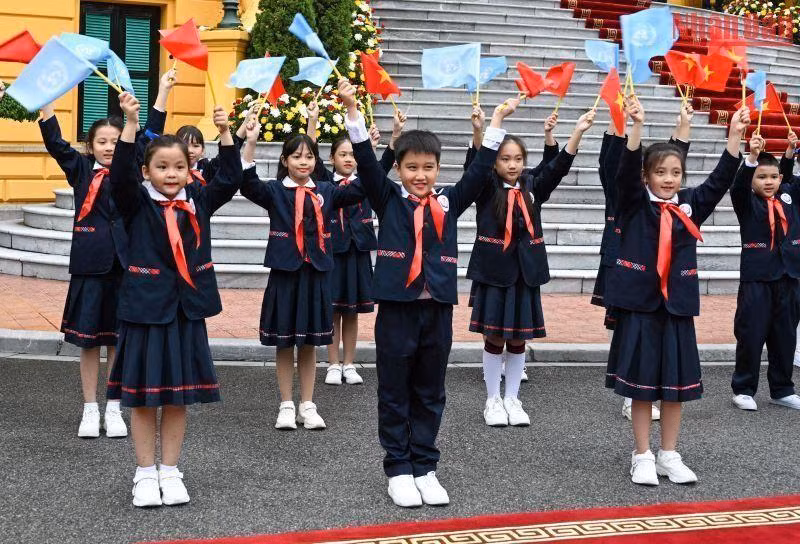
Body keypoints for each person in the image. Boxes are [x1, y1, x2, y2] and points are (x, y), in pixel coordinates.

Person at [340, 75, 517, 507]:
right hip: (398, 311)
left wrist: (494, 122)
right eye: (412, 167)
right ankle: (398, 467)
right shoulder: (387, 199)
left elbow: (478, 174)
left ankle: (426, 465)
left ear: (438, 168)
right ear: (399, 169)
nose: (421, 175)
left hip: (437, 309)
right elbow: (365, 160)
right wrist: (351, 112)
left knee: (431, 390)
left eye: (428, 167)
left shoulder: (449, 202)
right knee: (395, 389)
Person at [107, 92, 243, 507]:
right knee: (145, 398)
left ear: (189, 170)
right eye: (162, 167)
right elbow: (120, 179)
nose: (171, 174)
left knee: (179, 395)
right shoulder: (135, 204)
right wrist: (130, 124)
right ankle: (145, 473)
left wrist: (225, 134)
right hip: (146, 311)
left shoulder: (198, 202)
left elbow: (231, 179)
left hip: (186, 311)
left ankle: (171, 469)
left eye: (179, 167)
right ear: (146, 171)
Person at [605, 97, 749, 486]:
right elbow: (623, 174)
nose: (669, 179)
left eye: (676, 173)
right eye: (660, 172)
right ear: (647, 176)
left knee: (674, 386)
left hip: (677, 307)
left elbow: (719, 182)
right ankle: (642, 455)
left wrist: (734, 136)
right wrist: (636, 127)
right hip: (640, 305)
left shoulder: (689, 206)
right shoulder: (633, 203)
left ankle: (669, 453)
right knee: (640, 387)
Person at [37, 70, 175, 439]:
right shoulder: (80, 169)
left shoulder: (130, 171)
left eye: (115, 140)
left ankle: (114, 406)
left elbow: (150, 134)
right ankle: (89, 408)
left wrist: (162, 92)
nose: (110, 146)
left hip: (126, 265)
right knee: (87, 341)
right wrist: (44, 99)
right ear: (91, 145)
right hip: (89, 264)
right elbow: (54, 141)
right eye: (102, 141)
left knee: (117, 338)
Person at [466, 105, 595, 426]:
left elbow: (559, 166)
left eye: (518, 159)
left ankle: (513, 398)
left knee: (519, 338)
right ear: (494, 162)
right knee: (494, 338)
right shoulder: (486, 187)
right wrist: (479, 132)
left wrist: (576, 131)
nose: (512, 165)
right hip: (495, 274)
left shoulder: (532, 186)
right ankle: (492, 400)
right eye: (505, 159)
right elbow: (475, 166)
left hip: (525, 274)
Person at [238, 117, 367, 430]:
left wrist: (372, 148)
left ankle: (308, 405)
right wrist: (251, 141)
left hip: (316, 275)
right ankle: (285, 404)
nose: (303, 162)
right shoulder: (274, 192)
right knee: (285, 343)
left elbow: (365, 186)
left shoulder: (327, 190)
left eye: (309, 156)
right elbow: (246, 183)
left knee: (309, 343)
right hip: (285, 275)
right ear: (285, 160)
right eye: (296, 156)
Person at [305, 101, 406, 385]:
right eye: (343, 154)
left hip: (358, 250)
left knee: (353, 311)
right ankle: (333, 363)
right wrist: (312, 122)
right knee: (332, 308)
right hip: (332, 252)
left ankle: (349, 362)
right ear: (332, 158)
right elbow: (310, 154)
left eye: (352, 154)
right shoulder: (324, 181)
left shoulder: (366, 180)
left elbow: (384, 163)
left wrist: (396, 133)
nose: (349, 159)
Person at [731, 133, 800, 411]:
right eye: (761, 177)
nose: (768, 182)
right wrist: (750, 158)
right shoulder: (746, 203)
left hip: (789, 278)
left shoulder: (790, 196)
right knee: (751, 334)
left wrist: (790, 154)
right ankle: (743, 388)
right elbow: (737, 186)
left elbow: (790, 179)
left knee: (785, 336)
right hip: (757, 281)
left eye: (773, 177)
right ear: (752, 181)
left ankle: (782, 388)